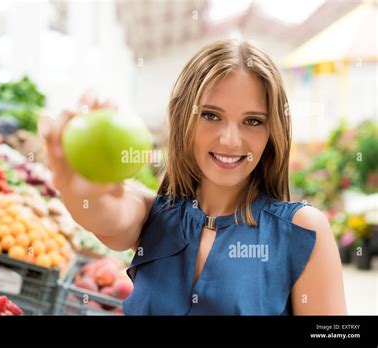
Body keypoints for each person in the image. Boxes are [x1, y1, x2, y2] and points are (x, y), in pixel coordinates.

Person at [40, 40, 347, 315]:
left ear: (272, 131)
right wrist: (73, 177)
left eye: (252, 121)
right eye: (211, 115)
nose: (230, 140)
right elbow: (104, 210)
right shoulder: (152, 214)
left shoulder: (301, 231)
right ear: (183, 115)